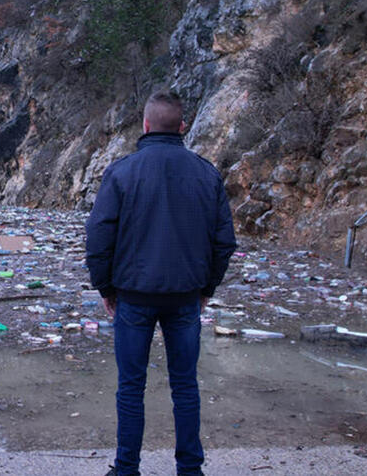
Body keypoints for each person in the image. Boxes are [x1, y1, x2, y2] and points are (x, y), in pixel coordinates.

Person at [86, 90, 236, 476]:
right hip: (186, 296)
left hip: (133, 295)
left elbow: (99, 236)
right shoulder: (206, 173)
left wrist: (105, 289)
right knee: (185, 386)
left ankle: (126, 469)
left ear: (146, 125)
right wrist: (207, 289)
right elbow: (224, 241)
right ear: (183, 127)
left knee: (130, 387)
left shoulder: (120, 172)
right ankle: (190, 470)